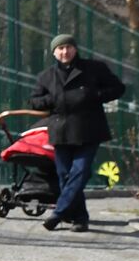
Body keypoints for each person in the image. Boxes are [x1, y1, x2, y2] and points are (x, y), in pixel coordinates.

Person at [28, 32, 126, 233]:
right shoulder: (46, 76)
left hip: (89, 129)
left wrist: (95, 95)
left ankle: (58, 213)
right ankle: (80, 218)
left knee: (79, 172)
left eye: (68, 47)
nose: (65, 52)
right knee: (65, 175)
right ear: (54, 53)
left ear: (75, 49)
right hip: (60, 130)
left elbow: (118, 88)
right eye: (60, 48)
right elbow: (34, 101)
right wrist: (54, 99)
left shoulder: (94, 68)